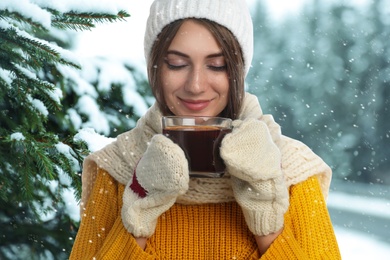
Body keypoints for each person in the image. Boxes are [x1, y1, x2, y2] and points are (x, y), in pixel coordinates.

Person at [70, 0, 341, 259]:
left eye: (217, 65)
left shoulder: (291, 169)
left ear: (238, 70)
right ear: (155, 67)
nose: (196, 85)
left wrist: (268, 223)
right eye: (177, 63)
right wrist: (139, 214)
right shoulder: (118, 167)